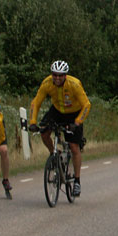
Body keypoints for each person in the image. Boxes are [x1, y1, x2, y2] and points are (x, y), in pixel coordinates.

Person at [28, 60, 91, 197]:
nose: (57, 78)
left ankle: (77, 181)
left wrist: (77, 122)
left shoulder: (74, 84)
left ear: (65, 75)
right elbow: (36, 102)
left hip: (74, 113)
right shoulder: (47, 83)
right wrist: (33, 122)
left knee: (74, 147)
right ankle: (53, 154)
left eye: (60, 75)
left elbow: (86, 105)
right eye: (54, 75)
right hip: (57, 111)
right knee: (44, 132)